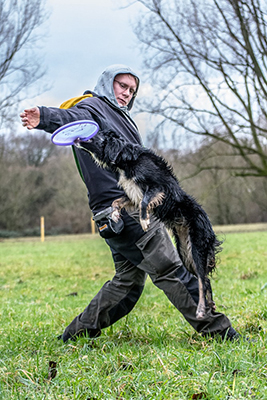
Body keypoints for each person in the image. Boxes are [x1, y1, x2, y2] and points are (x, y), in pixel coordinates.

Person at [20, 64, 240, 342]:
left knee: (127, 284)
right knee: (170, 269)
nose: (126, 93)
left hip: (115, 214)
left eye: (132, 90)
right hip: (125, 212)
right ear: (107, 83)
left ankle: (74, 336)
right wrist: (44, 117)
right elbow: (72, 118)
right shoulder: (93, 107)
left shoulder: (120, 117)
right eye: (121, 86)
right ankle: (222, 333)